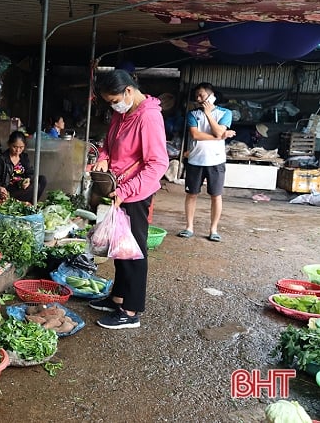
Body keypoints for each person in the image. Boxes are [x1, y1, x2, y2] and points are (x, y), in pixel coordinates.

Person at [88, 70, 169, 330]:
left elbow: (158, 164)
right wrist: (103, 155)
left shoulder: (148, 117)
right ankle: (118, 297)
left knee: (134, 251)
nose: (113, 106)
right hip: (118, 190)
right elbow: (109, 144)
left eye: (114, 100)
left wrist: (126, 191)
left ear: (129, 91)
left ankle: (131, 310)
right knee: (120, 246)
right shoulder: (122, 113)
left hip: (135, 194)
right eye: (109, 102)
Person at [177, 82, 235, 242]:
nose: (198, 98)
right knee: (191, 194)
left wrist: (209, 114)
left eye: (201, 95)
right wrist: (220, 136)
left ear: (212, 96)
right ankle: (189, 227)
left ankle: (213, 230)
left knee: (216, 195)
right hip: (195, 160)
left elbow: (217, 130)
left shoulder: (226, 113)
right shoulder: (192, 114)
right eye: (196, 96)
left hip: (216, 161)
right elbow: (195, 135)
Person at [0, 131, 47, 203]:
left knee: (42, 179)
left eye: (21, 147)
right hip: (8, 190)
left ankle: (31, 204)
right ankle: (25, 203)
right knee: (35, 187)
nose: (18, 150)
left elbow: (30, 172)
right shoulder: (1, 160)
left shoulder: (23, 157)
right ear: (9, 144)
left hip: (22, 187)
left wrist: (28, 180)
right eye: (15, 147)